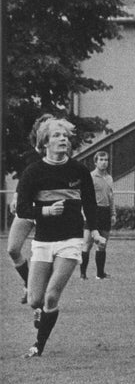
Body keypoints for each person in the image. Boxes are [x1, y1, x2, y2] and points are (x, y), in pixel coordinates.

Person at [16, 117, 105, 358]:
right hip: (43, 240)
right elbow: (22, 208)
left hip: (70, 239)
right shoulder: (33, 172)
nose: (63, 139)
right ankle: (39, 311)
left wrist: (94, 230)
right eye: (57, 135)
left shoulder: (79, 170)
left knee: (52, 295)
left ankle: (38, 345)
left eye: (65, 135)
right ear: (45, 142)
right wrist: (44, 210)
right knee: (36, 299)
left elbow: (90, 203)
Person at [7, 114, 54, 304]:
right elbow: (23, 181)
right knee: (12, 249)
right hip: (28, 209)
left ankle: (42, 296)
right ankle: (29, 283)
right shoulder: (29, 157)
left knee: (47, 256)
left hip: (48, 211)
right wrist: (16, 196)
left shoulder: (58, 156)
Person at [79, 151, 115, 279]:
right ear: (95, 162)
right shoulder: (90, 177)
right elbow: (84, 197)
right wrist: (84, 213)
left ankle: (100, 274)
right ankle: (83, 274)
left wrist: (113, 213)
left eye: (106, 160)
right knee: (87, 244)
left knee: (103, 244)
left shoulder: (109, 178)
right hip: (93, 211)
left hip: (105, 212)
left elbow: (111, 198)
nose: (104, 162)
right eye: (101, 159)